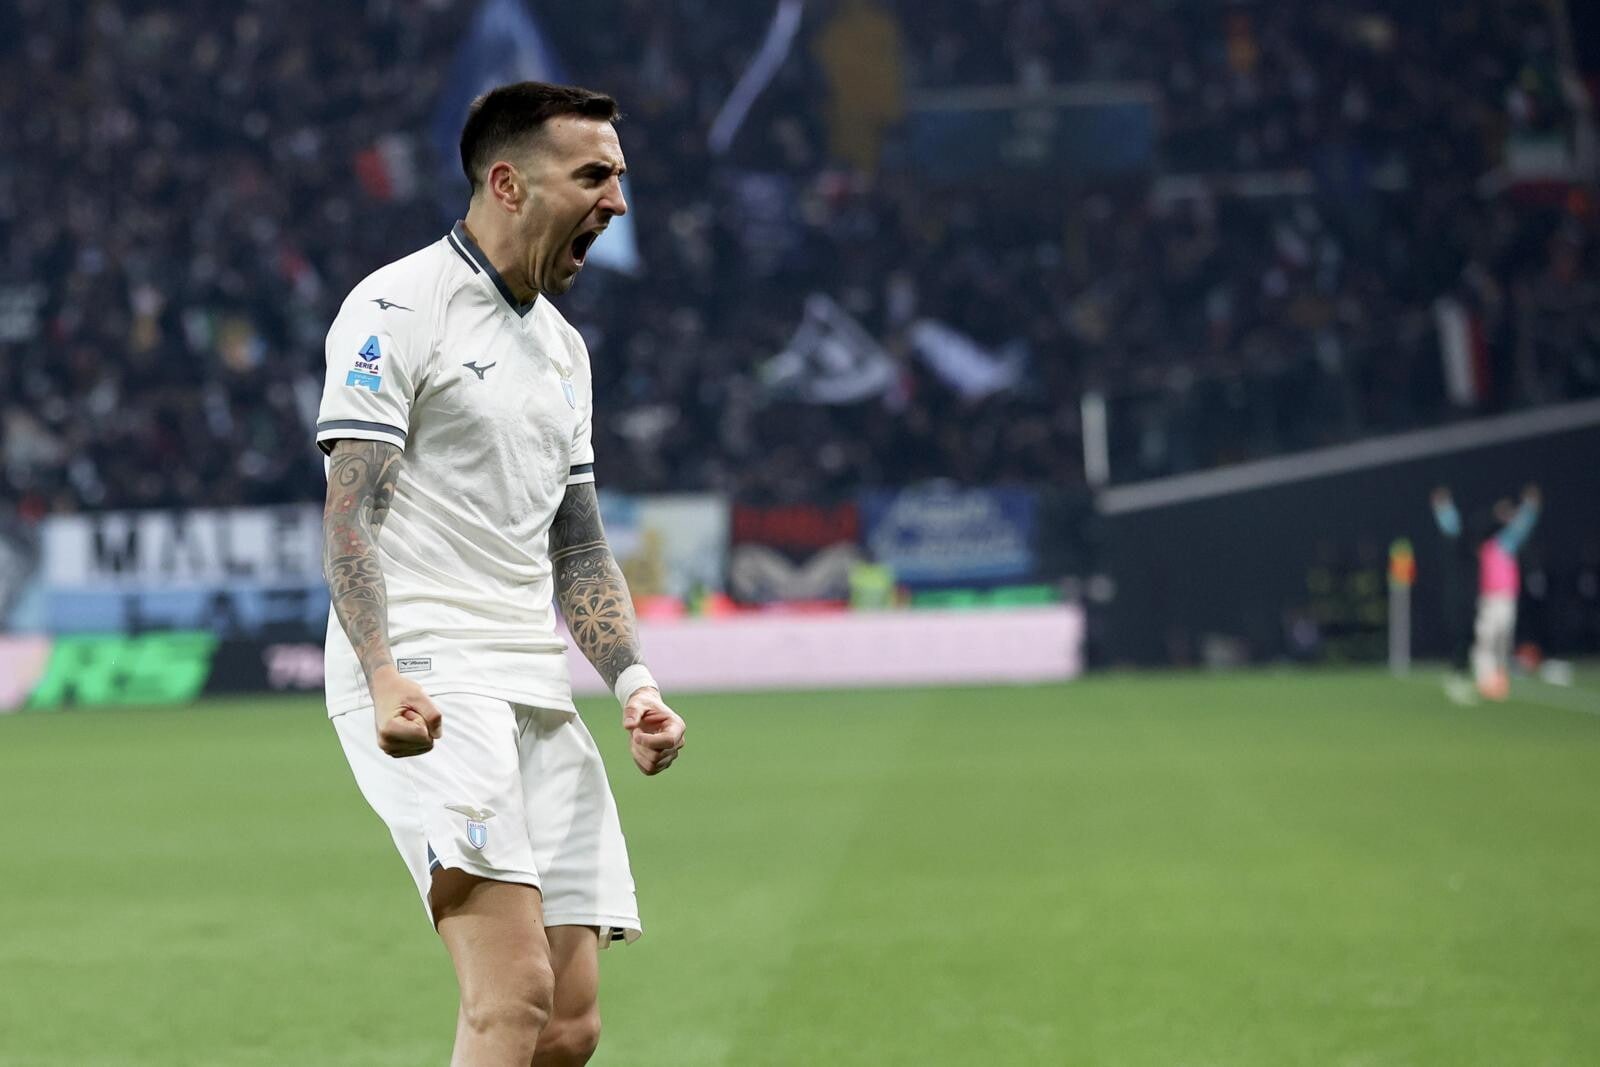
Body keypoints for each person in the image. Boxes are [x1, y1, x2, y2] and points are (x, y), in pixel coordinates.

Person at [314, 81, 686, 1067]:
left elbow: (578, 542)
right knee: (512, 993)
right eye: (594, 176)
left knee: (568, 1024)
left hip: (531, 676)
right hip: (429, 670)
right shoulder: (397, 306)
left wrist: (634, 683)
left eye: (619, 177)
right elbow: (351, 510)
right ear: (510, 183)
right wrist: (383, 672)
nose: (616, 201)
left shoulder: (563, 348)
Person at [1470, 485, 1542, 700]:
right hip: (1489, 599)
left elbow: (1521, 527)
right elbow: (1476, 525)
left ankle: (1498, 679)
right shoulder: (1487, 545)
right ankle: (1485, 680)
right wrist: (1500, 513)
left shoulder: (1504, 543)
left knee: (1502, 641)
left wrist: (1530, 506)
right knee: (1485, 640)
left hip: (1505, 598)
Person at [1429, 487, 1478, 704]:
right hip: (1458, 597)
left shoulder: (1463, 542)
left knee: (1467, 635)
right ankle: (1458, 674)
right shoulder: (1452, 542)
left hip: (1465, 595)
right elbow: (1451, 526)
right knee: (1460, 634)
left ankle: (1462, 672)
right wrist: (1443, 506)